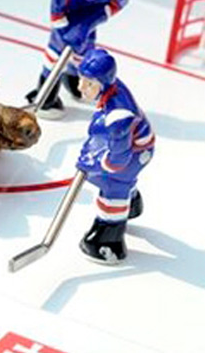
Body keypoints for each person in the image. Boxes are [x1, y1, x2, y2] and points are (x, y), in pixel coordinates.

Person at [75, 49, 154, 264]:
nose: (81, 87)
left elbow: (119, 158)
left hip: (135, 151)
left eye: (89, 84)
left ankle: (109, 240)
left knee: (112, 183)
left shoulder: (119, 118)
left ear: (102, 83)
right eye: (82, 80)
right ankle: (132, 204)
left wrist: (100, 164)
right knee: (116, 178)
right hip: (132, 144)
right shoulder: (110, 87)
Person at [26, 0, 130, 119]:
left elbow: (120, 3)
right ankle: (46, 96)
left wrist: (90, 21)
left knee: (84, 54)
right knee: (55, 55)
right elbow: (57, 11)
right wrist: (65, 30)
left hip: (88, 25)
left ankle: (74, 84)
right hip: (67, 25)